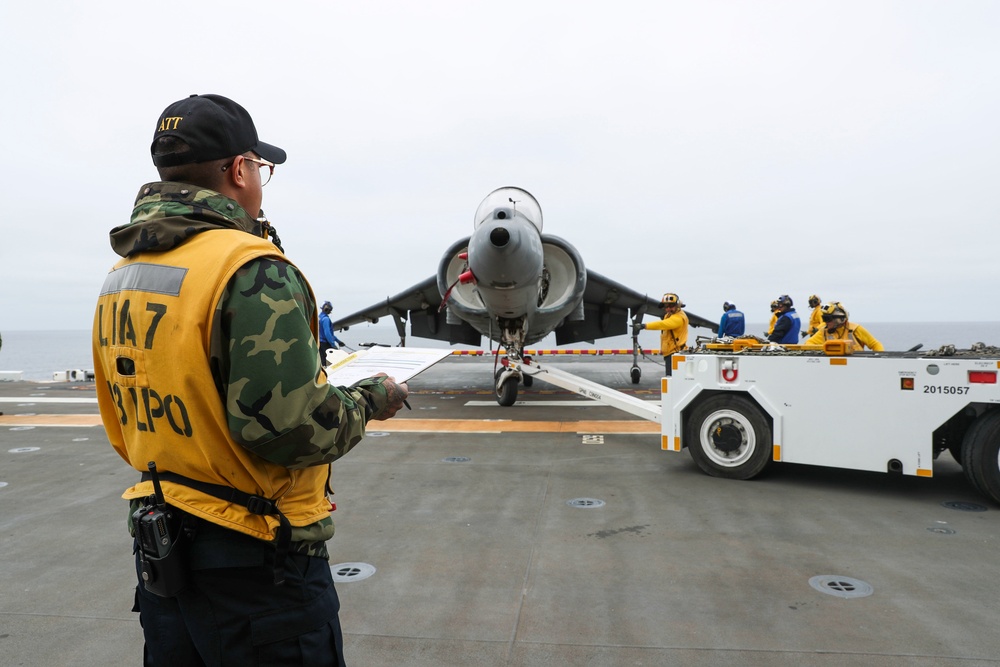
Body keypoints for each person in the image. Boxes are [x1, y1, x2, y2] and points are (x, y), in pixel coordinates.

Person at [92, 93, 409, 666]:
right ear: (239, 170)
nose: (260, 179)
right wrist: (372, 398)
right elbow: (291, 430)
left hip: (165, 551)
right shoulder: (251, 267)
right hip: (259, 569)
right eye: (261, 168)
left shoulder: (123, 274)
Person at [636, 292, 689, 376]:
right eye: (666, 306)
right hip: (670, 353)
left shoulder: (678, 318)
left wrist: (644, 326)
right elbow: (665, 334)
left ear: (677, 305)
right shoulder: (668, 315)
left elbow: (662, 324)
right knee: (671, 380)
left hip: (675, 353)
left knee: (671, 380)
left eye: (671, 306)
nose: (668, 309)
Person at [805, 301, 885, 351]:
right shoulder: (824, 331)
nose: (825, 322)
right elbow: (808, 344)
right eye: (824, 319)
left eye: (827, 319)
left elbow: (875, 344)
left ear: (839, 319)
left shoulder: (855, 329)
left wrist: (879, 360)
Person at [318, 300, 346, 365]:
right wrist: (333, 345)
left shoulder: (319, 318)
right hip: (325, 344)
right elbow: (327, 333)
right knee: (329, 362)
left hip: (319, 343)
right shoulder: (326, 319)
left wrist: (338, 341)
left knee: (323, 362)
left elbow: (329, 334)